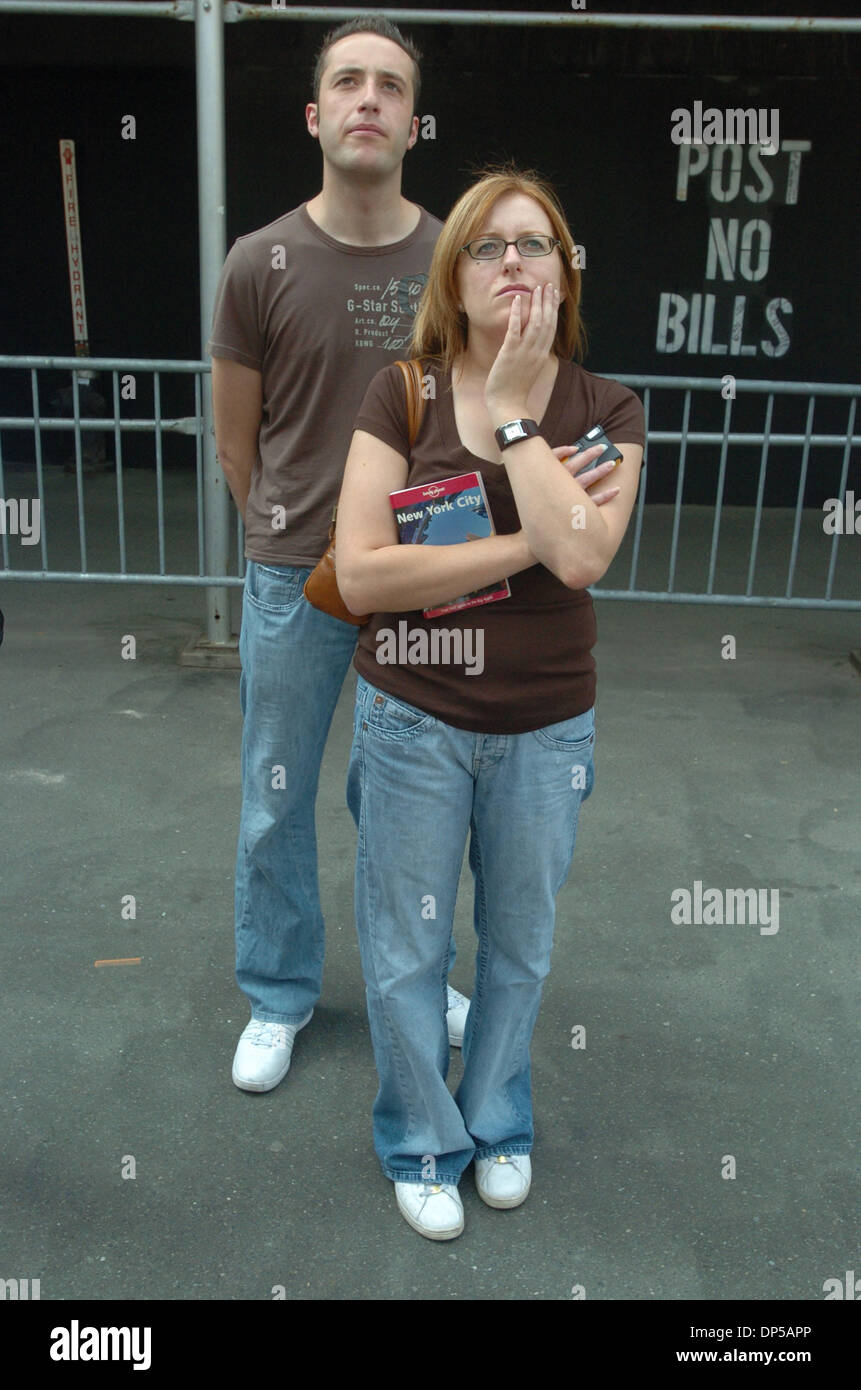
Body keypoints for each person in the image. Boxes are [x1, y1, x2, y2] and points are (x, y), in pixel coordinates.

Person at [336, 167, 646, 1239]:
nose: (512, 263)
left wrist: (515, 417)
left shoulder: (605, 407)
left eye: (536, 244)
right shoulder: (402, 391)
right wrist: (527, 543)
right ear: (453, 275)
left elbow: (591, 557)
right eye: (487, 246)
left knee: (518, 947)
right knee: (409, 952)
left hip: (545, 728)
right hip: (412, 720)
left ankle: (498, 1119)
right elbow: (364, 576)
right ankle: (422, 1140)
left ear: (564, 274)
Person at [207, 16, 469, 1093]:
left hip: (421, 580)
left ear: (413, 121)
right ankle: (278, 990)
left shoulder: (454, 256)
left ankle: (421, 972)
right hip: (295, 580)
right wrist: (287, 538)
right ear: (317, 115)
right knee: (277, 794)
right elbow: (239, 438)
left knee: (416, 801)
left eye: (391, 86)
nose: (370, 99)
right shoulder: (256, 262)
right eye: (348, 82)